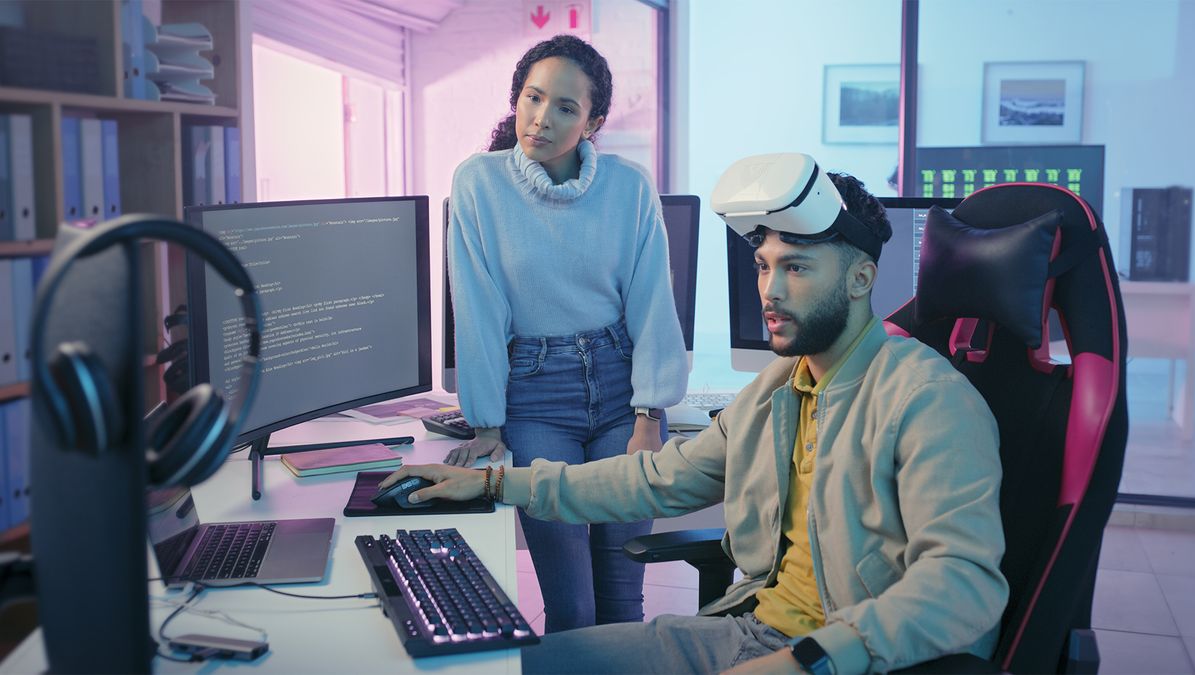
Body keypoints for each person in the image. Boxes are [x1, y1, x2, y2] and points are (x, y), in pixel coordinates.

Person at [388, 161, 1006, 673]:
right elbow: (653, 478)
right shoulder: (778, 390)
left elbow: (963, 583)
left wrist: (810, 660)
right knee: (498, 666)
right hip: (747, 635)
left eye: (797, 268)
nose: (771, 290)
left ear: (860, 279)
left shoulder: (927, 400)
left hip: (843, 660)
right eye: (765, 265)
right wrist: (497, 483)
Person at [442, 33, 688, 633]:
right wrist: (486, 424)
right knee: (573, 609)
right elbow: (477, 311)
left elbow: (653, 301)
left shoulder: (628, 187)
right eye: (532, 98)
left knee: (623, 602)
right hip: (535, 394)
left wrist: (648, 417)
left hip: (618, 386)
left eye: (565, 108)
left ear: (593, 121)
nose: (541, 119)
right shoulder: (479, 183)